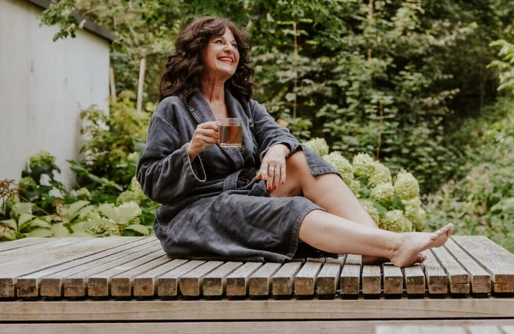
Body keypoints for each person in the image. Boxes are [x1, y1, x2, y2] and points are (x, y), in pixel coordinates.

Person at [136, 16, 453, 266]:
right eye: (219, 42)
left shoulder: (243, 105)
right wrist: (190, 151)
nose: (229, 49)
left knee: (299, 159)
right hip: (198, 213)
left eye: (233, 44)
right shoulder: (174, 108)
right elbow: (150, 180)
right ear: (197, 50)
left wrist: (275, 149)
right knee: (292, 208)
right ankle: (392, 244)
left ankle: (373, 243)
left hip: (242, 194)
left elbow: (277, 133)